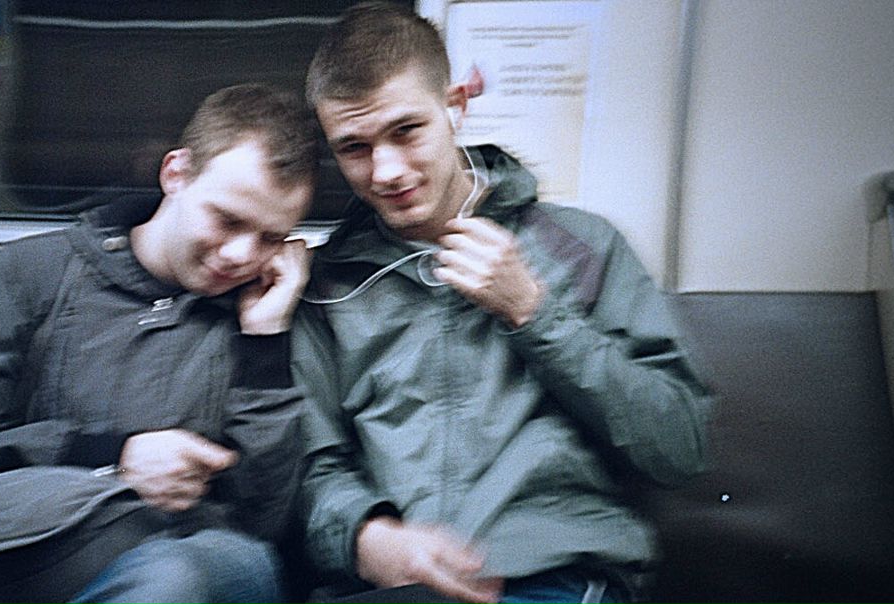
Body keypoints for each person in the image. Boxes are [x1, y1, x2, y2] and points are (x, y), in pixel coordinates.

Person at [292, 4, 713, 604]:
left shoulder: (581, 246)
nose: (386, 171)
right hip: (391, 587)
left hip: (553, 575)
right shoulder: (326, 285)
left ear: (455, 106)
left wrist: (534, 313)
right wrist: (365, 536)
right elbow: (313, 466)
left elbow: (681, 447)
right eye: (354, 147)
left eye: (406, 131)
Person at [0, 83, 319, 603]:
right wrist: (108, 460)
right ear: (175, 173)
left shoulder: (265, 311)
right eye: (227, 220)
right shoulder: (30, 276)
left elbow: (264, 523)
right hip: (31, 550)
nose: (241, 255)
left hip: (194, 561)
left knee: (174, 581)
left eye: (270, 237)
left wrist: (265, 343)